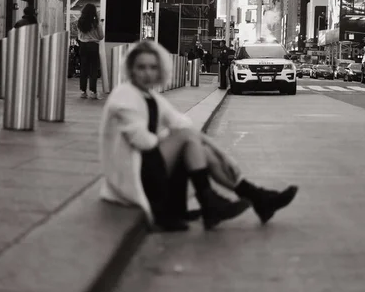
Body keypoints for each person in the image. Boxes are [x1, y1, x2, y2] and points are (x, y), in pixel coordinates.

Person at [99, 41, 298, 232]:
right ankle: (217, 201)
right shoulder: (123, 95)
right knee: (186, 138)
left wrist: (222, 154)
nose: (148, 72)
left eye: (153, 67)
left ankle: (256, 198)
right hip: (129, 175)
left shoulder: (151, 98)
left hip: (149, 166)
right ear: (130, 69)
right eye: (141, 67)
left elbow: (183, 125)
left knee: (197, 145)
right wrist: (173, 137)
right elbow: (144, 141)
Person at [76, 3, 104, 99]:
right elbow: (101, 36)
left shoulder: (80, 22)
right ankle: (93, 92)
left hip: (83, 46)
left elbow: (79, 36)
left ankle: (83, 91)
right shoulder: (96, 23)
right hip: (93, 46)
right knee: (93, 69)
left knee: (83, 69)